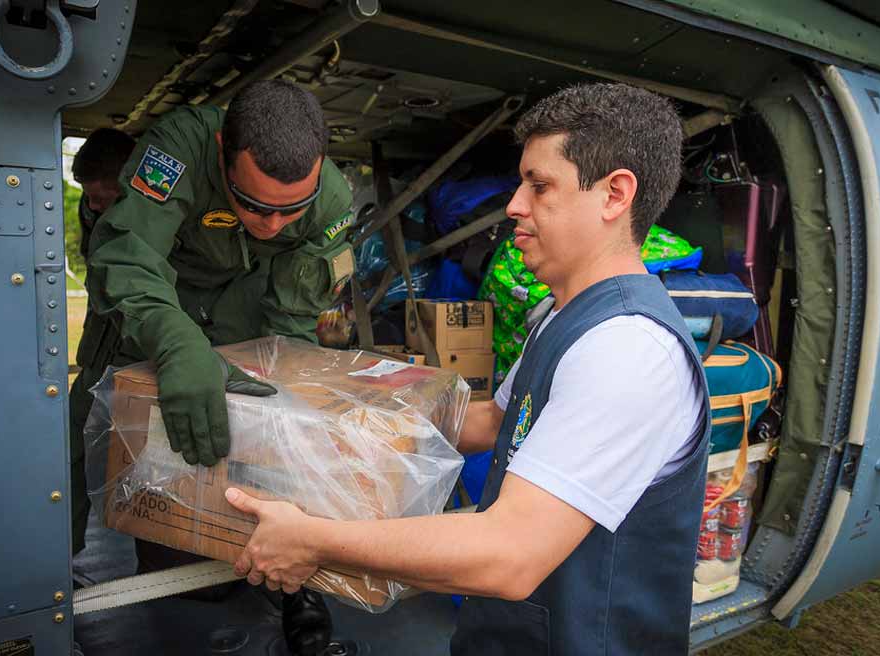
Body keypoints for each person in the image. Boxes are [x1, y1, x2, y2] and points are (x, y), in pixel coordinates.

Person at [224, 83, 711, 655]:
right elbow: (490, 422)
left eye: (539, 184)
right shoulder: (563, 315)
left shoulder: (626, 349)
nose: (514, 205)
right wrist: (334, 419)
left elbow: (510, 553)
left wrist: (315, 540)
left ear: (614, 194)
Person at [72, 80, 355, 656]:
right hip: (152, 312)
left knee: (280, 440)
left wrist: (291, 401)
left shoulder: (330, 199)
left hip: (244, 319)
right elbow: (128, 255)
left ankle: (298, 584)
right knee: (77, 439)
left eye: (288, 210)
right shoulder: (179, 148)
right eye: (252, 205)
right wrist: (175, 342)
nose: (271, 225)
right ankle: (42, 588)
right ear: (224, 148)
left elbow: (293, 320)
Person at [71, 127, 136, 262]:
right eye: (87, 196)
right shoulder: (89, 210)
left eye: (99, 199)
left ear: (125, 189)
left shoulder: (157, 211)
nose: (92, 205)